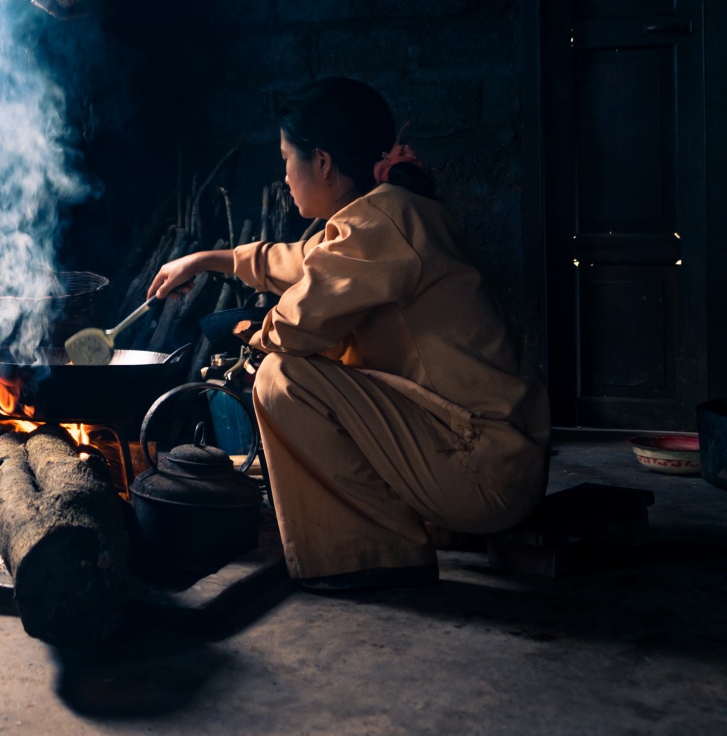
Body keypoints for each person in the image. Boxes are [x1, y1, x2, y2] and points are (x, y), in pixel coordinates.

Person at [148, 77, 550, 591]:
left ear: (322, 162)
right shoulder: (386, 213)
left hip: (481, 474)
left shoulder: (384, 222)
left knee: (282, 377)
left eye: (287, 159)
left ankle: (377, 552)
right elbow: (303, 261)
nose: (285, 176)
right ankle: (393, 530)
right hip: (495, 460)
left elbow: (294, 326)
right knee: (292, 367)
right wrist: (208, 260)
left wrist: (249, 331)